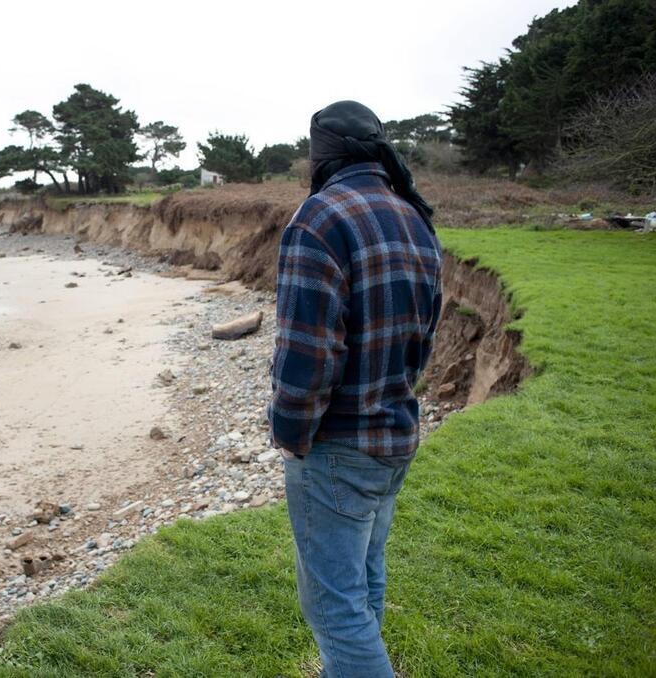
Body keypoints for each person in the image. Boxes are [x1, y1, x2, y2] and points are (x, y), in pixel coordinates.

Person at [268, 100, 442, 678]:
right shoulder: (413, 214)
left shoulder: (319, 219)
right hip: (396, 430)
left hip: (339, 445)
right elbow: (424, 334)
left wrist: (291, 434)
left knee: (333, 606)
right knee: (364, 576)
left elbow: (307, 354)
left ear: (320, 153)